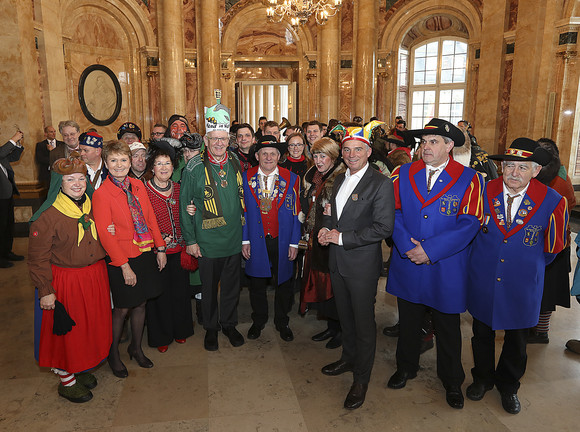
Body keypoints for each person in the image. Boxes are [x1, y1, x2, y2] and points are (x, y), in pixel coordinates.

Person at [386, 118, 484, 410]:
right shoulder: (402, 173)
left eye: (433, 142)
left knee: (448, 326)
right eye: (423, 142)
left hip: (447, 265)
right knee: (409, 320)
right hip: (408, 261)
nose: (425, 148)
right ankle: (406, 367)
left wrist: (430, 250)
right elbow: (393, 213)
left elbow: (470, 223)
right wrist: (406, 246)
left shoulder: (470, 179)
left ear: (449, 146)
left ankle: (452, 380)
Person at [466, 137, 568, 414]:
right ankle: (483, 378)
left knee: (517, 339)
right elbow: (467, 231)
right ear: (501, 167)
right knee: (481, 333)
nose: (513, 173)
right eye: (509, 166)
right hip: (483, 278)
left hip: (522, 283)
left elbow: (554, 247)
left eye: (523, 168)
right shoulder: (483, 191)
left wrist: (523, 264)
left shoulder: (554, 201)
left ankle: (509, 386)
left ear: (536, 171)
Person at [317, 126, 395, 410]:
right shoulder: (338, 180)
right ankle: (348, 359)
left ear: (369, 152)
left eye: (358, 149)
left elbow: (384, 227)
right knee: (345, 317)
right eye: (347, 149)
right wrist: (325, 231)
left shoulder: (380, 183)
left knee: (363, 323)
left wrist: (342, 238)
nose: (351, 155)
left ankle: (361, 378)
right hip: (337, 261)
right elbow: (331, 215)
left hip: (361, 265)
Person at [28, 153, 112, 403]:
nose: (77, 184)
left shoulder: (92, 205)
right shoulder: (47, 216)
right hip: (66, 282)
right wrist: (45, 290)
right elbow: (37, 258)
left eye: (81, 179)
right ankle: (67, 381)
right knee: (68, 333)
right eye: (70, 180)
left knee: (89, 328)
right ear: (59, 184)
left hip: (94, 276)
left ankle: (81, 368)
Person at [92, 140, 167, 378]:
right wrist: (124, 266)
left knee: (142, 303)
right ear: (106, 163)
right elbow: (105, 233)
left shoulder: (137, 185)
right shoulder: (102, 194)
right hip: (121, 258)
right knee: (122, 308)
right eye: (113, 160)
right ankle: (113, 354)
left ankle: (136, 347)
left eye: (123, 160)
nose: (119, 165)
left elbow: (150, 217)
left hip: (144, 252)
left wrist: (161, 247)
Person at [180, 99, 246, 351]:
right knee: (208, 289)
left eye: (223, 139)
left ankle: (229, 324)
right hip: (206, 242)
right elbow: (184, 206)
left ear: (228, 141)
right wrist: (191, 241)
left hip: (233, 238)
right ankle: (211, 328)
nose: (219, 143)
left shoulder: (236, 163)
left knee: (231, 287)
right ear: (206, 141)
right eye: (214, 139)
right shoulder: (193, 168)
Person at [242, 135, 301, 342]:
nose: (268, 157)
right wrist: (245, 240)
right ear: (257, 155)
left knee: (284, 282)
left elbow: (296, 213)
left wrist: (295, 242)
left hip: (282, 239)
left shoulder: (291, 178)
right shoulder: (245, 176)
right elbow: (243, 212)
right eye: (264, 153)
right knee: (257, 282)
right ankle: (258, 320)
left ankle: (282, 320)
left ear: (279, 156)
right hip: (256, 239)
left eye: (273, 153)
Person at [144, 146, 194, 353]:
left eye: (167, 163)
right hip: (156, 254)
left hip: (180, 251)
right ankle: (161, 336)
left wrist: (192, 210)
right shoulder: (143, 191)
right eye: (158, 163)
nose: (163, 167)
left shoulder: (180, 188)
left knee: (181, 293)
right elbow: (140, 222)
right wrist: (159, 243)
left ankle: (181, 330)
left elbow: (190, 215)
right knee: (159, 296)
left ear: (173, 167)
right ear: (152, 168)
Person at [528, 138, 576, 343]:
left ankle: (540, 331)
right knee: (544, 289)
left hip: (551, 244)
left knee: (547, 291)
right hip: (554, 243)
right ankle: (536, 327)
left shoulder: (556, 183)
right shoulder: (559, 176)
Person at [300, 137, 345, 349]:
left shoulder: (340, 178)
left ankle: (341, 330)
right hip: (317, 237)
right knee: (322, 284)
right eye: (316, 155)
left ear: (333, 158)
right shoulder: (315, 176)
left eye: (323, 156)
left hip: (334, 240)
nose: (318, 160)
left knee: (334, 287)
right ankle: (331, 326)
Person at [0, 130, 24, 268]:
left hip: (7, 194)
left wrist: (18, 144)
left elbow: (13, 157)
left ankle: (6, 252)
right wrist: (13, 139)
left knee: (8, 225)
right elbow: (2, 153)